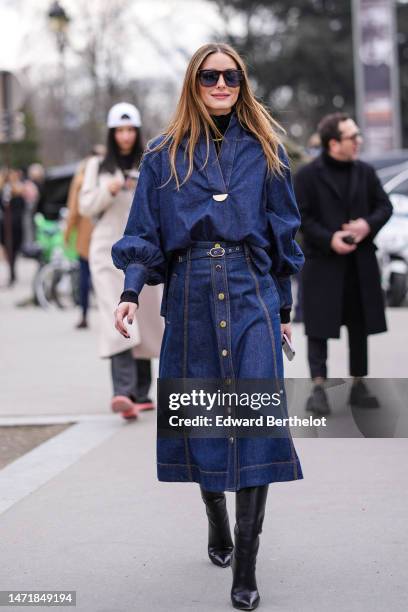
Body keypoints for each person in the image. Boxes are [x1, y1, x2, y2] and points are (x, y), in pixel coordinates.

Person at [112, 43, 304, 610]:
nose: (221, 84)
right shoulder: (163, 155)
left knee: (255, 422)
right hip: (191, 292)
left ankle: (245, 565)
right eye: (209, 76)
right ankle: (215, 517)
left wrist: (286, 311)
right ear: (193, 84)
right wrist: (129, 292)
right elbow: (144, 231)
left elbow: (282, 236)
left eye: (232, 76)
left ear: (243, 84)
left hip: (251, 293)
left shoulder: (267, 152)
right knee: (203, 418)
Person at [294, 112, 393, 415]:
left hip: (359, 264)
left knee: (360, 326)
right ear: (334, 143)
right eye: (353, 137)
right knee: (318, 328)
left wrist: (366, 225)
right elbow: (301, 217)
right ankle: (319, 387)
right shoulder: (308, 176)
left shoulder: (364, 172)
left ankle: (359, 384)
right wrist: (330, 238)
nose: (358, 141)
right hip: (323, 263)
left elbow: (384, 206)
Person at [79, 103, 163, 419]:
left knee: (146, 318)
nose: (126, 136)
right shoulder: (97, 166)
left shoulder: (151, 161)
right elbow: (86, 205)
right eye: (120, 130)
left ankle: (142, 392)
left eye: (131, 130)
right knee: (117, 315)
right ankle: (122, 392)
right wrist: (110, 188)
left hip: (143, 250)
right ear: (112, 133)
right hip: (106, 250)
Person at [63, 146, 105, 329]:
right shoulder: (106, 178)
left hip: (85, 236)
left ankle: (84, 314)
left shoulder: (80, 180)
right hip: (105, 233)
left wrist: (67, 232)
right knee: (104, 276)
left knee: (85, 276)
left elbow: (74, 210)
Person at [0, 169, 25, 286]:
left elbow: (22, 207)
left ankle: (12, 272)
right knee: (8, 250)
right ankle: (11, 273)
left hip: (15, 225)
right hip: (5, 225)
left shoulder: (19, 191)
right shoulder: (4, 190)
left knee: (14, 250)